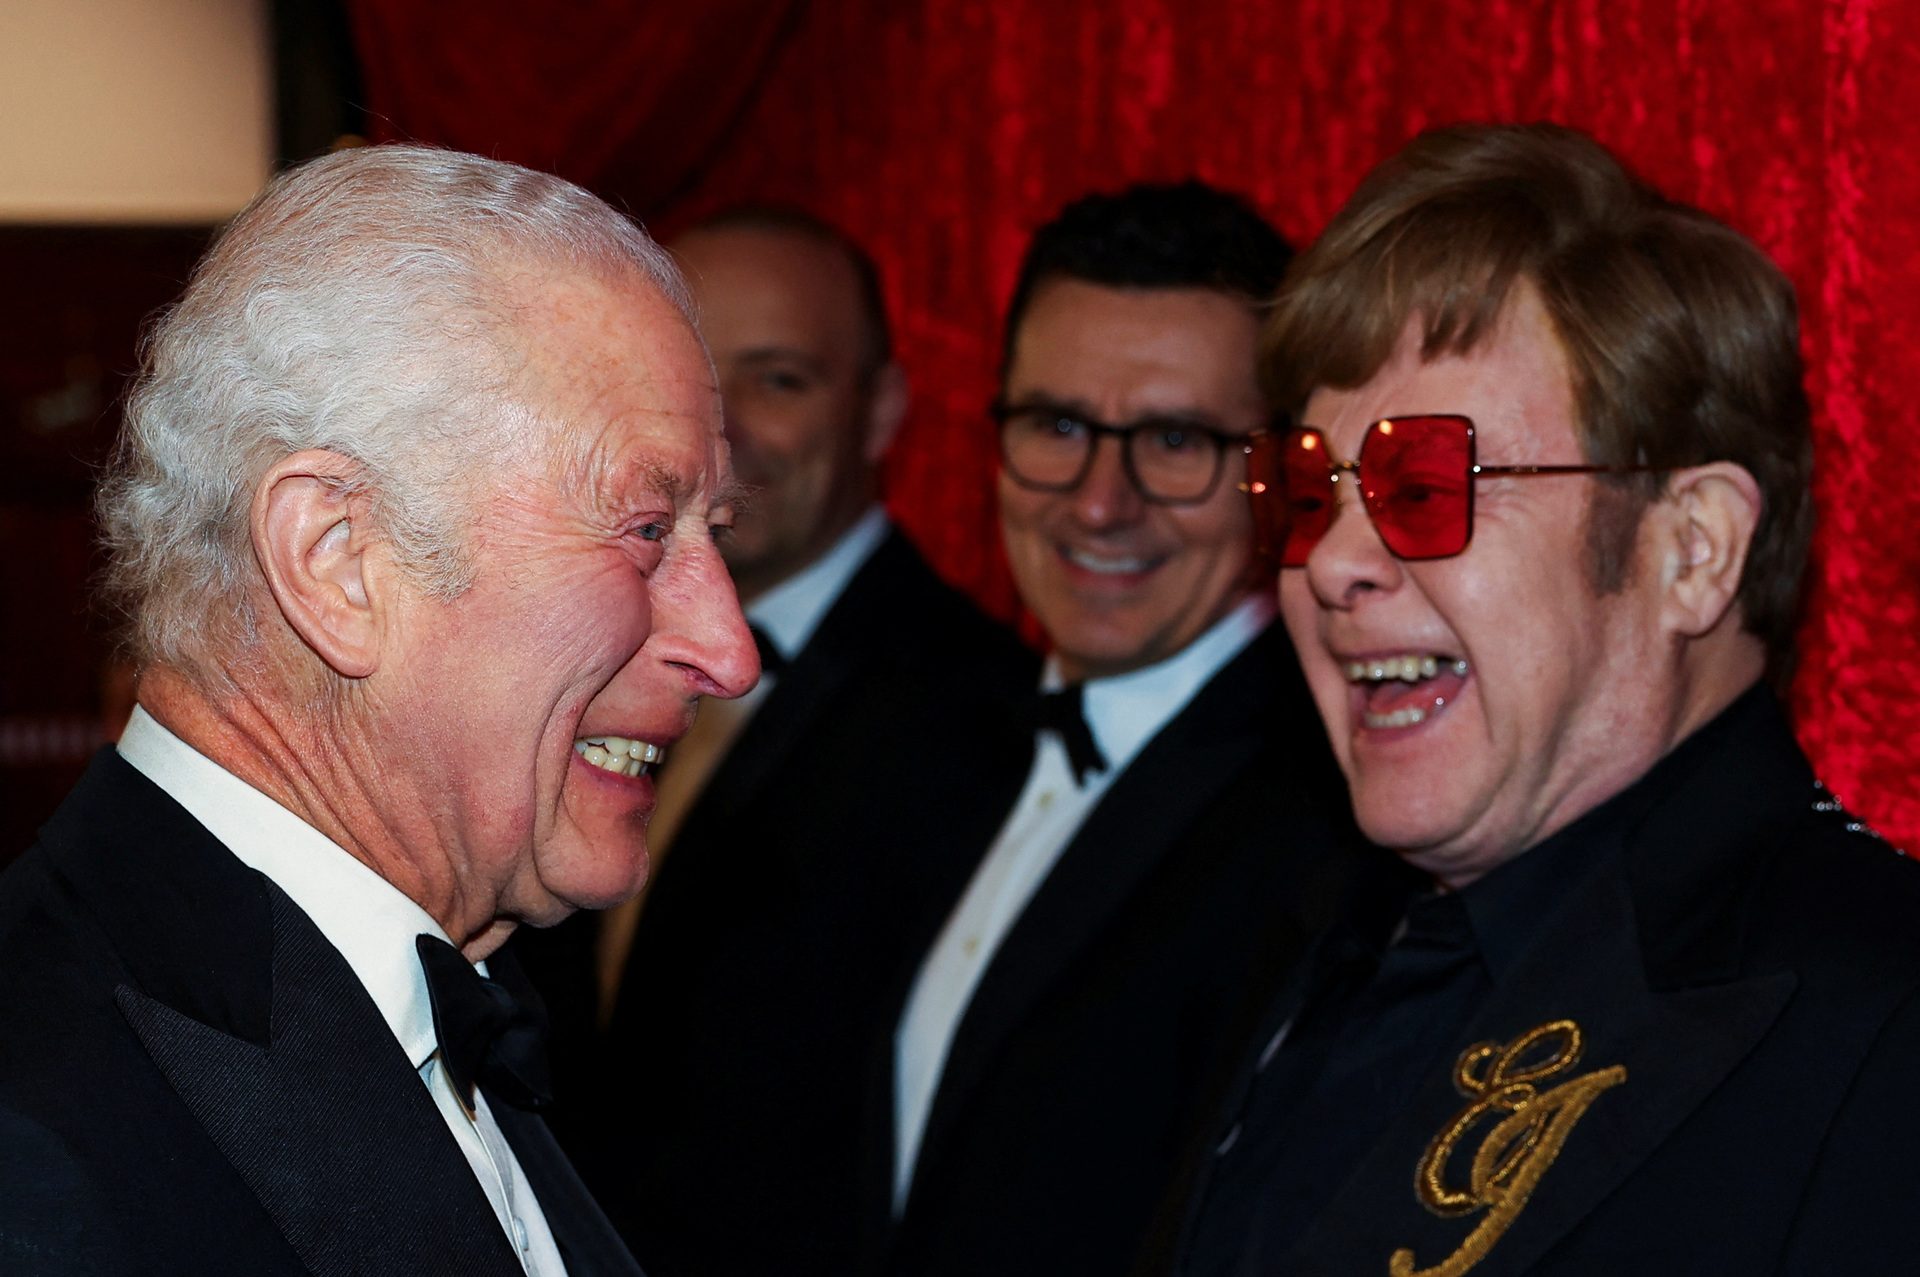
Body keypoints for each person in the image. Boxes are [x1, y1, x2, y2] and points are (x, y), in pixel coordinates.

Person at [1152, 122, 1920, 1277]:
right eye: (1308, 491)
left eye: (1425, 483)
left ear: (1693, 549)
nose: (1330, 561)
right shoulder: (1292, 932)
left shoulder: (1887, 1015)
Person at [0, 144, 758, 1276]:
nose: (730, 650)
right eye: (646, 529)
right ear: (337, 559)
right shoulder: (32, 1149)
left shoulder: (448, 1005)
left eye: (718, 534)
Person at [878, 181, 1389, 1277]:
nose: (1101, 502)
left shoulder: (1339, 831)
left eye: (1174, 440)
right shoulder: (921, 743)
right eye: (1058, 426)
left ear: (1281, 472)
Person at [547, 207, 1034, 1276]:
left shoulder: (990, 721)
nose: (724, 438)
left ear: (882, 411)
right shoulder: (553, 646)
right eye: (695, 380)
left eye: (779, 380)